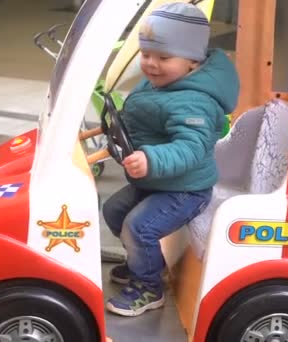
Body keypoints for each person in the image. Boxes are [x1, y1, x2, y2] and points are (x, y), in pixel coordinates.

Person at [102, 2, 240, 317]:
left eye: (164, 57)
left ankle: (149, 288)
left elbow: (191, 148)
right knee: (113, 211)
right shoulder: (161, 82)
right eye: (146, 54)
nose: (151, 64)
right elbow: (141, 116)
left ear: (193, 62)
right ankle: (144, 263)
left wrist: (150, 158)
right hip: (156, 182)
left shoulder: (194, 101)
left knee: (138, 228)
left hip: (184, 190)